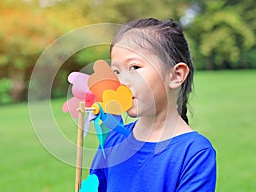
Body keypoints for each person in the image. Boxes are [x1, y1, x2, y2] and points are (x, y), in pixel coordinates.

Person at [89, 18, 216, 192]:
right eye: (116, 71)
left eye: (134, 67)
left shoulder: (194, 153)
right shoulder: (112, 141)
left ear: (175, 75)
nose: (121, 82)